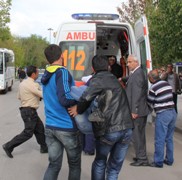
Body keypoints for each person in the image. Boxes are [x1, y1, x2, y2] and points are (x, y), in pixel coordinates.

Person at [68, 55, 134, 180]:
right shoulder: (115, 79)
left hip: (109, 129)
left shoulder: (97, 80)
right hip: (127, 128)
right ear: (108, 66)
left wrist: (78, 109)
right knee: (114, 168)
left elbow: (86, 97)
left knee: (100, 162)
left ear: (93, 68)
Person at [42, 44, 82, 180]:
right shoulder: (62, 72)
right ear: (61, 56)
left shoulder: (46, 74)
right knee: (75, 165)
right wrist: (79, 102)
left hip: (50, 126)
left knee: (53, 165)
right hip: (66, 126)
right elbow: (65, 98)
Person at [2, 65, 47, 158]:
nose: (38, 74)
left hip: (27, 111)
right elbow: (43, 95)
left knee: (40, 128)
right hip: (29, 111)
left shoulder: (22, 83)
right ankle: (8, 146)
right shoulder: (34, 84)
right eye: (38, 72)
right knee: (28, 133)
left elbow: (19, 97)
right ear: (34, 74)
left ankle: (44, 147)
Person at [124, 54, 150, 166]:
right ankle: (141, 155)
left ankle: (142, 158)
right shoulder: (136, 73)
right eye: (127, 62)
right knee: (139, 135)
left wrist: (134, 110)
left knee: (137, 135)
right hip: (140, 110)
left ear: (136, 62)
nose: (127, 64)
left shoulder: (138, 74)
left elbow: (136, 94)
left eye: (129, 62)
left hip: (138, 111)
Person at [147, 69, 177, 168]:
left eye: (149, 78)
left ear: (151, 78)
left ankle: (158, 161)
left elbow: (150, 103)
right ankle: (169, 159)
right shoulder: (166, 83)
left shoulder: (153, 88)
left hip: (163, 114)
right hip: (172, 112)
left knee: (160, 138)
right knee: (169, 138)